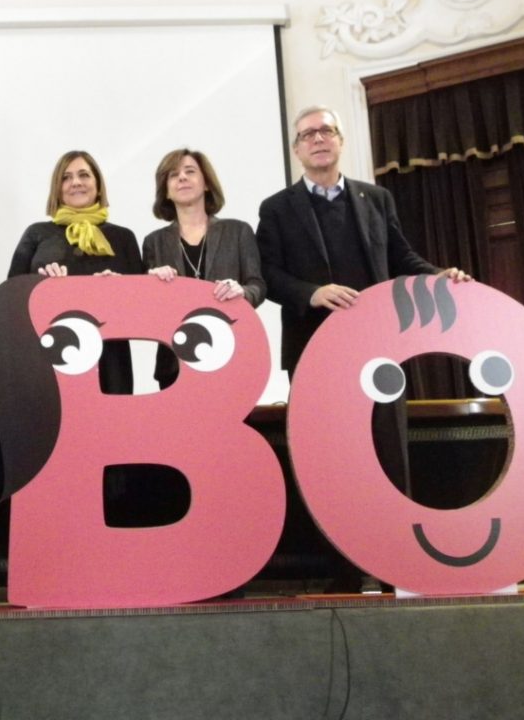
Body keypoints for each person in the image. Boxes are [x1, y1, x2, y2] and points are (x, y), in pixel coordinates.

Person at [256, 105, 470, 593]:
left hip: (379, 352)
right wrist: (312, 292)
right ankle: (344, 574)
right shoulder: (276, 208)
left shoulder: (376, 198)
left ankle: (397, 567)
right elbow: (268, 276)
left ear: (339, 140)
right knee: (331, 463)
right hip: (315, 353)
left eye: (326, 130)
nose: (318, 139)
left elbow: (400, 257)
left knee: (389, 458)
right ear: (296, 150)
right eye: (308, 134)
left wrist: (437, 275)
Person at [8, 150, 143, 394]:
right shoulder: (36, 233)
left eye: (84, 175)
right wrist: (43, 287)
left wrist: (119, 289)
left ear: (98, 185)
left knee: (111, 428)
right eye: (66, 177)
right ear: (57, 188)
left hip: (111, 360)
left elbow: (141, 309)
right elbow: (12, 296)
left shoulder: (123, 238)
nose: (76, 182)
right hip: (52, 353)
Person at [143, 148, 266, 388]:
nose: (182, 178)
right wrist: (151, 284)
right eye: (173, 175)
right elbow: (147, 308)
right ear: (165, 190)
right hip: (174, 363)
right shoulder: (153, 242)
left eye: (190, 171)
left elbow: (258, 285)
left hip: (230, 357)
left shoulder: (238, 231)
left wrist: (242, 291)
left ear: (207, 184)